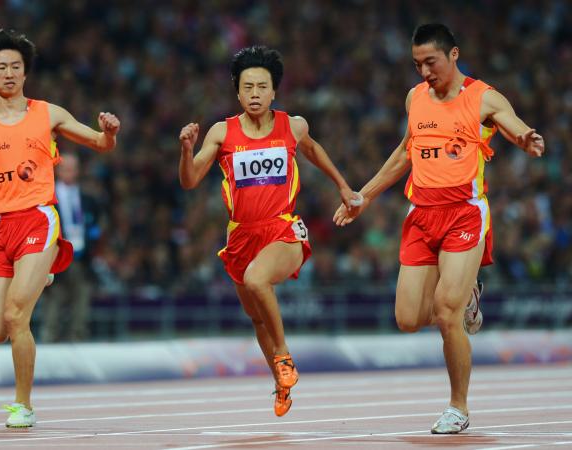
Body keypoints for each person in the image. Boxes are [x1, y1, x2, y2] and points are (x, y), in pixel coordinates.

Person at [333, 24, 545, 434]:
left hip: (464, 213)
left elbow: (509, 121)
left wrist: (524, 137)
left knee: (447, 313)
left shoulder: (482, 96)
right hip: (422, 215)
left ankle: (458, 407)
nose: (424, 71)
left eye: (430, 62)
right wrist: (365, 195)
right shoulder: (415, 97)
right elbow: (404, 152)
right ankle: (467, 294)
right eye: (417, 64)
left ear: (453, 55)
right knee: (409, 318)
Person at [0, 29, 120, 428]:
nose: (9, 73)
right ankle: (41, 273)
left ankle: (23, 405)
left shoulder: (48, 114)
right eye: (1, 67)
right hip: (0, 226)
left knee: (17, 315)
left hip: (38, 217)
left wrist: (108, 132)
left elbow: (100, 144)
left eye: (16, 66)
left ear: (25, 73)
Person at [179, 46, 356, 417]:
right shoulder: (221, 132)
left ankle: (284, 358)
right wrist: (186, 150)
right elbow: (190, 180)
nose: (255, 94)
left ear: (274, 91)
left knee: (257, 280)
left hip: (284, 228)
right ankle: (280, 382)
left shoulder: (292, 125)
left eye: (262, 86)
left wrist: (342, 186)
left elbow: (313, 150)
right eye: (248, 87)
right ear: (237, 92)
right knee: (257, 316)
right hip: (241, 236)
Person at [41, 152, 99, 343]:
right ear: (58, 171)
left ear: (78, 171)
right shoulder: (47, 198)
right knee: (55, 301)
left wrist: (91, 244)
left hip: (82, 258)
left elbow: (93, 224)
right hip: (56, 258)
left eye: (73, 169)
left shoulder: (87, 198)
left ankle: (77, 339)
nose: (69, 173)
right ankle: (49, 341)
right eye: (65, 169)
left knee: (81, 300)